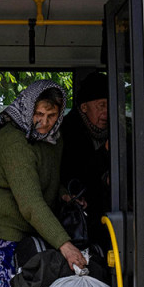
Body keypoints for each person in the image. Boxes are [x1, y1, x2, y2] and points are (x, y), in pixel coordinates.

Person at [0, 80, 88, 287]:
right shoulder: (14, 140)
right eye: (38, 114)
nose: (44, 123)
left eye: (52, 116)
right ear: (28, 108)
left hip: (35, 230)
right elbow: (30, 201)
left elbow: (40, 179)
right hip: (8, 234)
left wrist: (63, 194)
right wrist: (65, 245)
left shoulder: (52, 139)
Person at [60, 71, 111, 243]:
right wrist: (104, 153)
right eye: (101, 106)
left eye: (109, 105)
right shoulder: (68, 132)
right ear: (84, 107)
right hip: (80, 217)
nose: (106, 112)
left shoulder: (116, 130)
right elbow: (76, 173)